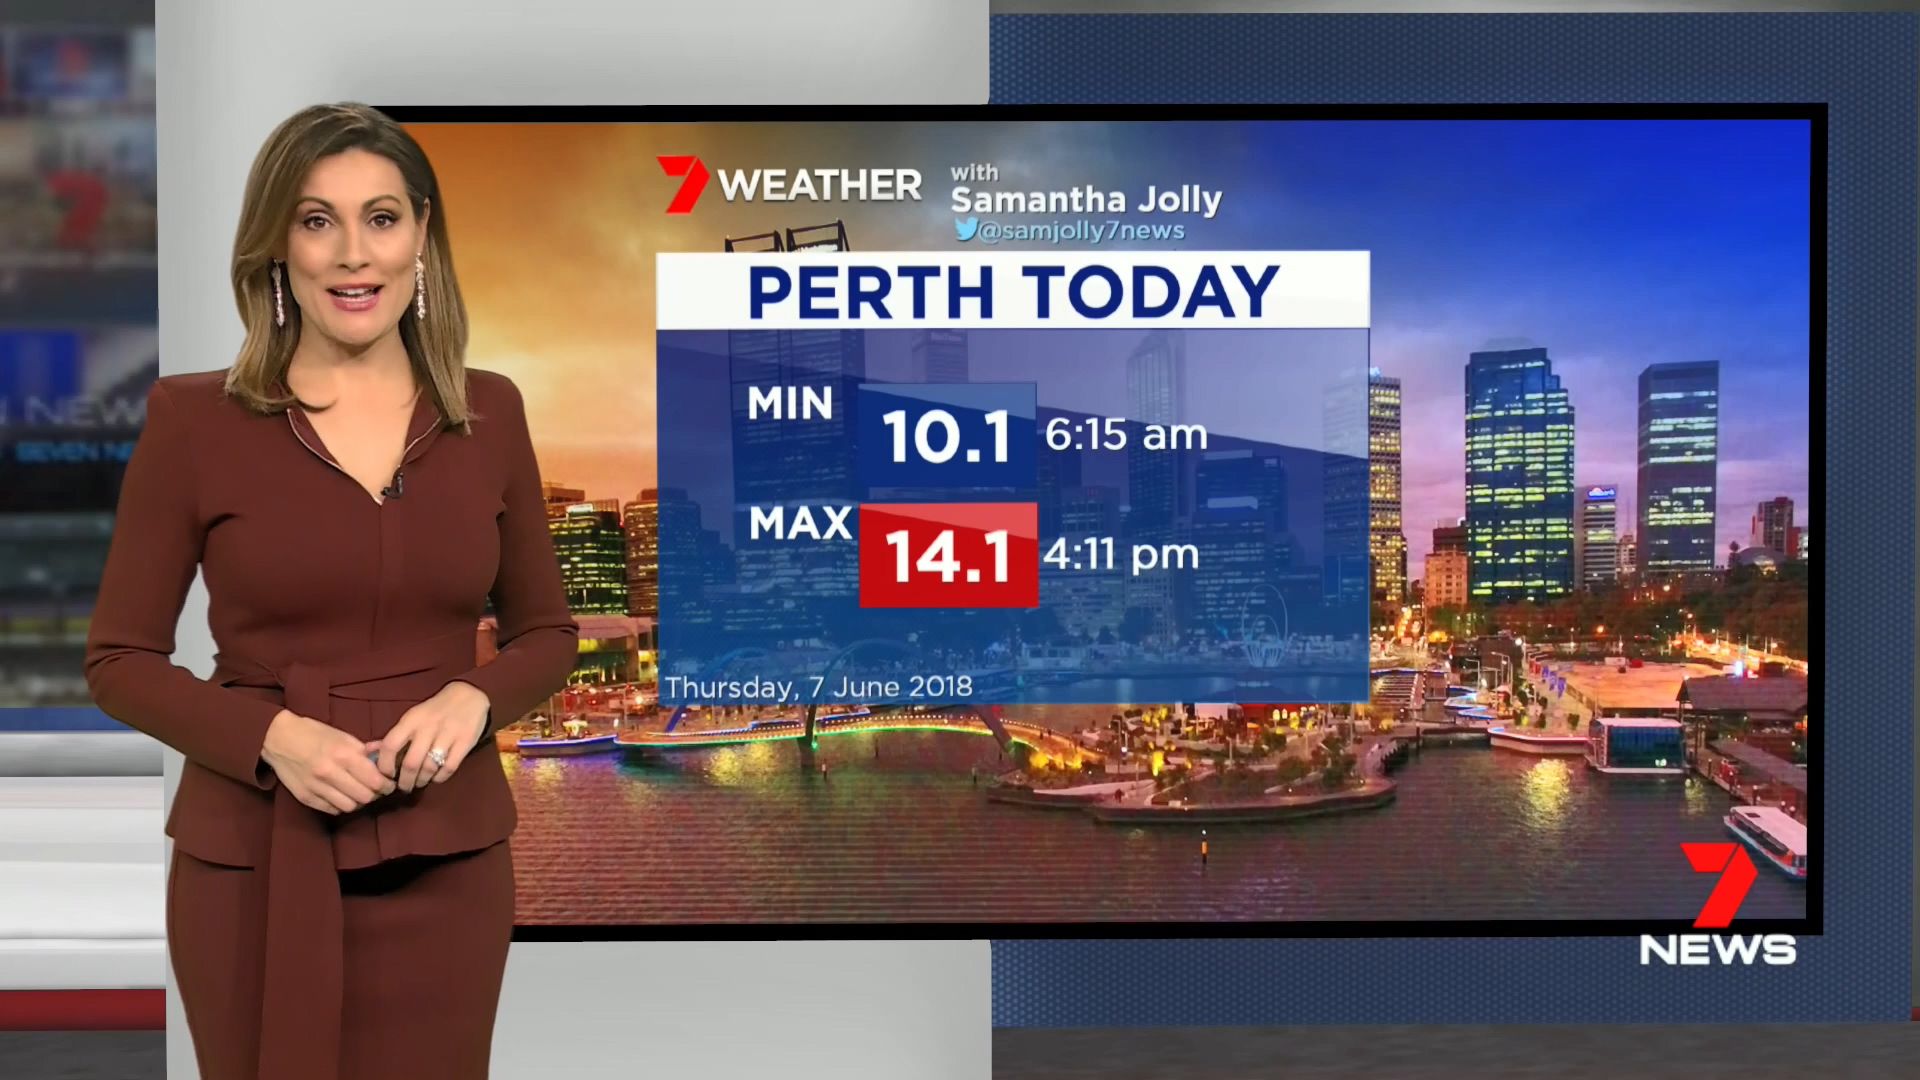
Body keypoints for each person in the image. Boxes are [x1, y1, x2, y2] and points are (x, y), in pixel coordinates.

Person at [84, 103, 578, 1080]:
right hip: (254, 859)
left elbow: (549, 636)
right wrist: (271, 739)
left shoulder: (491, 410)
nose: (354, 253)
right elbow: (118, 661)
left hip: (449, 863)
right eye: (318, 221)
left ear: (422, 233)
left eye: (381, 218)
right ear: (278, 243)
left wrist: (473, 699)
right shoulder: (191, 420)